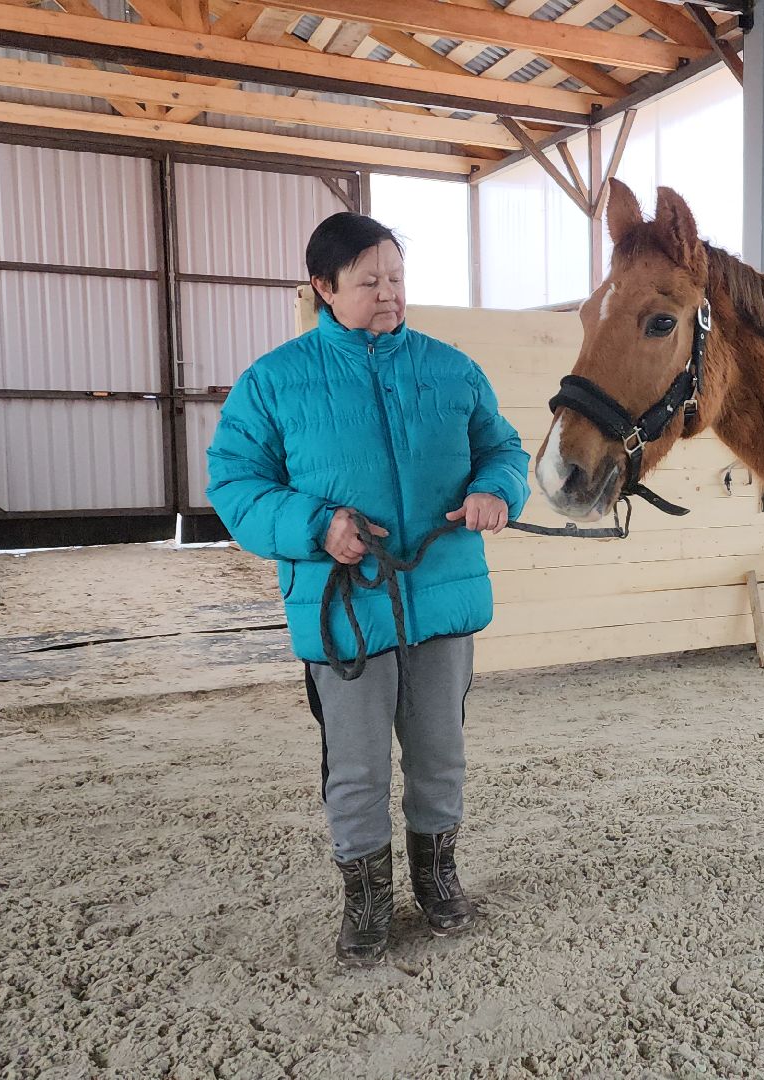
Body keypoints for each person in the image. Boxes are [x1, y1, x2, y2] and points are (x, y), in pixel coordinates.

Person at [206, 212, 529, 966]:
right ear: (323, 287)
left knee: (440, 752)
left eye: (396, 277)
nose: (389, 294)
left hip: (441, 597)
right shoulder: (274, 383)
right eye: (368, 282)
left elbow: (502, 448)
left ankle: (438, 874)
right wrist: (317, 527)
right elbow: (235, 485)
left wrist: (495, 490)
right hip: (345, 609)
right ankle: (366, 897)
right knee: (354, 765)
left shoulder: (450, 369)